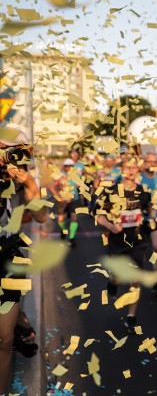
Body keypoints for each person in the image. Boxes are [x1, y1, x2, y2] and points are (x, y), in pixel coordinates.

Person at [0, 129, 49, 394]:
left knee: (4, 341)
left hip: (10, 259)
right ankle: (22, 321)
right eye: (8, 151)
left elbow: (41, 216)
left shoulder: (23, 180)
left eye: (19, 153)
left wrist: (29, 185)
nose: (13, 159)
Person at [95, 157, 155, 333]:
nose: (131, 170)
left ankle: (131, 316)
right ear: (121, 170)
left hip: (138, 241)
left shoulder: (143, 192)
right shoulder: (111, 191)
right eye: (127, 167)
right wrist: (110, 226)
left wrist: (151, 218)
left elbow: (151, 209)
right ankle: (113, 282)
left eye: (134, 167)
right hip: (118, 242)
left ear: (138, 170)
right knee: (119, 277)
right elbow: (99, 216)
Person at [140, 152, 157, 297]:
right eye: (149, 162)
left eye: (154, 161)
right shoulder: (138, 178)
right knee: (141, 251)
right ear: (144, 163)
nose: (152, 164)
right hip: (140, 219)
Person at [51, 158, 83, 247]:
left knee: (74, 217)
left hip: (74, 200)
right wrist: (58, 197)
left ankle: (72, 238)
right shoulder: (59, 175)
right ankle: (63, 230)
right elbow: (52, 187)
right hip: (62, 201)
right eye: (67, 166)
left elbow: (79, 186)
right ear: (64, 166)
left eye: (70, 166)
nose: (68, 167)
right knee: (60, 219)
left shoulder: (77, 175)